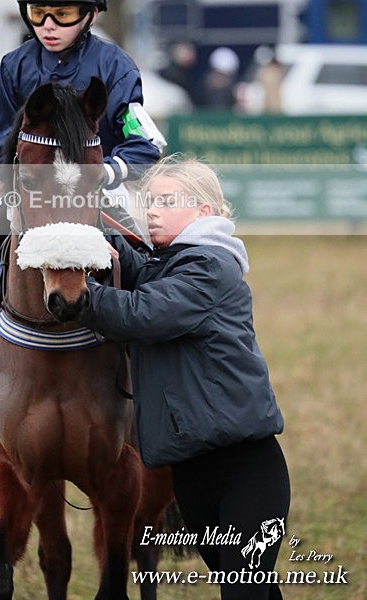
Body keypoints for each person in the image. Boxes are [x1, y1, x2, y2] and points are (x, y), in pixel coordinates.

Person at [81, 156, 290, 599]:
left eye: (167, 202)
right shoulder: (169, 264)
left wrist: (79, 294)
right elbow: (138, 270)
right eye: (150, 202)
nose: (152, 211)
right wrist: (88, 217)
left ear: (203, 212)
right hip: (192, 474)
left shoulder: (209, 266)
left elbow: (143, 312)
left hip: (246, 473)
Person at [0, 0, 164, 337]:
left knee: (142, 251)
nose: (47, 25)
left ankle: (152, 313)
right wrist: (23, 180)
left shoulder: (116, 67)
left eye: (62, 13)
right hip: (33, 188)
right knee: (1, 217)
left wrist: (105, 173)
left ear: (91, 14)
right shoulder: (13, 67)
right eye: (37, 12)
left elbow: (145, 143)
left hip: (101, 187)